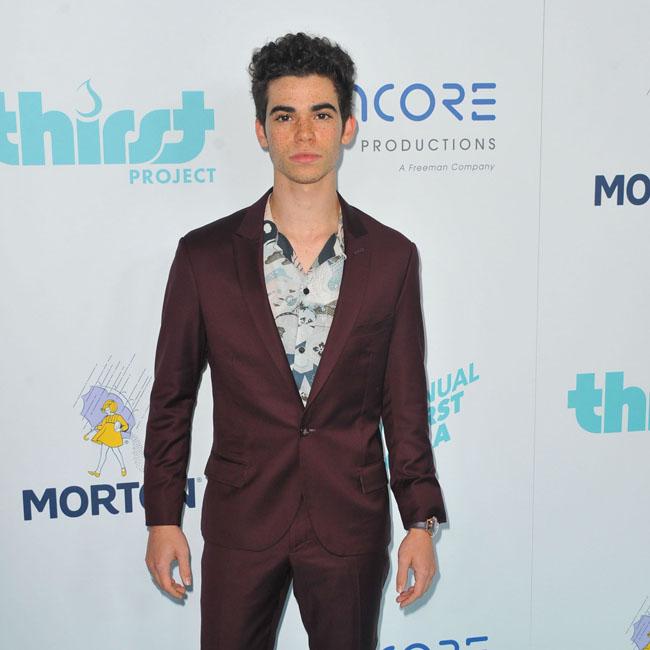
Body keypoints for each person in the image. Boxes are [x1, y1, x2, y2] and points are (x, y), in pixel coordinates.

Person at [143, 31, 447, 650]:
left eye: (321, 114)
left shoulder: (393, 257)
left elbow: (405, 404)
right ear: (261, 130)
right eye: (285, 116)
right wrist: (162, 516)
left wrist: (419, 519)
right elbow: (172, 396)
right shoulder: (203, 256)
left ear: (348, 127)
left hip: (349, 521)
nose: (304, 133)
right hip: (241, 518)